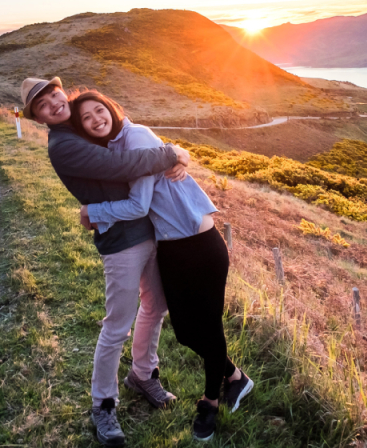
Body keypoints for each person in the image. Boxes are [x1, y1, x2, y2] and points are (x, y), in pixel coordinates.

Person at [69, 90, 253, 442]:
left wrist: (93, 213)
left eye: (98, 110)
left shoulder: (134, 137)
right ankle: (235, 376)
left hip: (199, 242)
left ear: (111, 108)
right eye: (86, 119)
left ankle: (210, 403)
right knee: (185, 331)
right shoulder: (111, 151)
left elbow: (139, 205)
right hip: (170, 247)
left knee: (209, 326)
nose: (95, 119)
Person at [21, 77, 191, 447]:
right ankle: (103, 404)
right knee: (117, 325)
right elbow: (119, 165)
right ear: (37, 118)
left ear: (62, 93)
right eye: (42, 106)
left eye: (54, 95)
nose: (52, 103)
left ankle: (143, 375)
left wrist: (176, 152)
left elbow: (124, 139)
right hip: (121, 242)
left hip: (147, 231)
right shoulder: (64, 144)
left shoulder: (78, 128)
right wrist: (171, 152)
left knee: (155, 306)